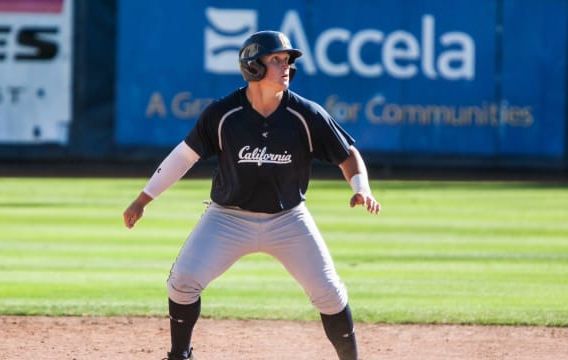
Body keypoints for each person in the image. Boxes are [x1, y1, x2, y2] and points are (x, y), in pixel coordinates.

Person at [123, 30, 381, 360]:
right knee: (183, 282)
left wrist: (361, 188)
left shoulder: (306, 114)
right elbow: (183, 156)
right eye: (275, 60)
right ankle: (179, 355)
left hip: (289, 219)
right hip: (227, 217)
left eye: (287, 60)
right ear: (253, 67)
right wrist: (144, 199)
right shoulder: (223, 114)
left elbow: (348, 155)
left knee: (329, 293)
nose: (285, 66)